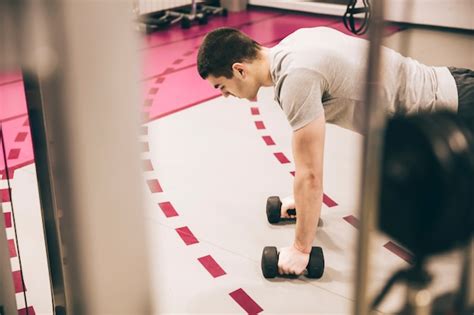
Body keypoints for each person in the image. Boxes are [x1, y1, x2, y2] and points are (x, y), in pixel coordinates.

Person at [196, 26, 474, 276]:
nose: (224, 95)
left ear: (239, 70)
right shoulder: (295, 41)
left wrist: (300, 250)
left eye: (221, 86)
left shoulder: (296, 79)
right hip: (453, 86)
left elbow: (311, 174)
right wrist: (304, 205)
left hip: (455, 116)